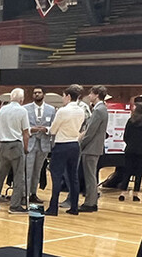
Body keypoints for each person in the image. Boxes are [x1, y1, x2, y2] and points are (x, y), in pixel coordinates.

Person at [0, 88, 30, 213]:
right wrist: (26, 148)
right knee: (18, 176)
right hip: (15, 145)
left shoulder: (2, 109)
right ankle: (15, 205)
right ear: (21, 100)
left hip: (2, 145)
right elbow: (26, 133)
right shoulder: (23, 111)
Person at [45, 83, 84, 216]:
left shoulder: (62, 111)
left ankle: (53, 207)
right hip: (74, 145)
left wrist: (47, 130)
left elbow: (53, 130)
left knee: (56, 176)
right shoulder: (81, 110)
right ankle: (74, 207)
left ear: (68, 96)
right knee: (73, 177)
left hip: (62, 145)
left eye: (63, 96)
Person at [77, 85, 108, 212]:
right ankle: (92, 201)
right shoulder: (102, 108)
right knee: (91, 176)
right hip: (94, 147)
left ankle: (90, 203)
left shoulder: (98, 110)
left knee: (90, 177)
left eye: (91, 94)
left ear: (96, 95)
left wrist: (82, 143)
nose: (89, 96)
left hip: (91, 148)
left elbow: (91, 131)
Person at [115, 102, 142, 201]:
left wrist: (130, 144)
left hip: (130, 149)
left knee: (127, 171)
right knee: (139, 173)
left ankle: (123, 192)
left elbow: (126, 136)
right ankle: (136, 193)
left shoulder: (131, 120)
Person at [24, 86, 55, 204]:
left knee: (37, 171)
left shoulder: (51, 110)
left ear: (43, 94)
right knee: (28, 170)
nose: (37, 94)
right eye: (35, 93)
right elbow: (23, 126)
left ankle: (33, 193)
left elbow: (54, 126)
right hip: (30, 142)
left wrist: (46, 129)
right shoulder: (25, 109)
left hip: (43, 144)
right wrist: (31, 129)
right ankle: (24, 194)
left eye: (39, 92)